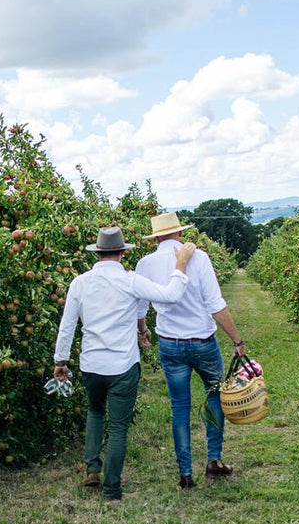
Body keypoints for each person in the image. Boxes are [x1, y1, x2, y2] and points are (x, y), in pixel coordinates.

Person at [54, 226, 197, 502]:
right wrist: (180, 265)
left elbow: (67, 326)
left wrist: (61, 360)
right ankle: (112, 489)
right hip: (122, 365)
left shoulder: (80, 283)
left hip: (91, 364)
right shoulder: (131, 281)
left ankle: (92, 469)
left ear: (97, 253)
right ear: (122, 253)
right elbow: (170, 294)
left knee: (95, 412)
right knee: (118, 427)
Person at [135, 212, 245, 489]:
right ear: (180, 234)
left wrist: (143, 330)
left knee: (179, 407)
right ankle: (213, 461)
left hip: (170, 344)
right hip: (203, 342)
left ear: (155, 237)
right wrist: (237, 340)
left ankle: (185, 474)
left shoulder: (145, 264)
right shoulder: (200, 258)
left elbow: (140, 306)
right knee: (214, 397)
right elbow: (215, 304)